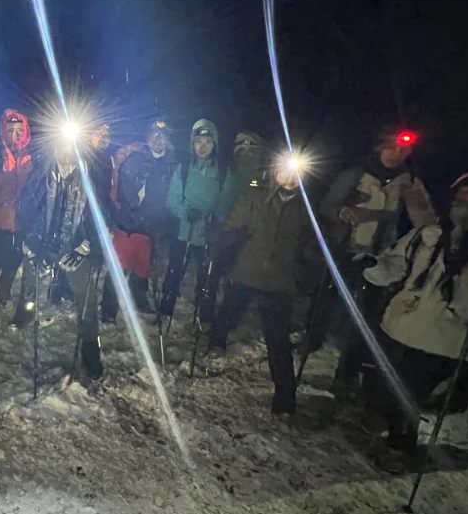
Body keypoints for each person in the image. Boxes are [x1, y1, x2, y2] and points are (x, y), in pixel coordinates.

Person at [362, 171, 468, 472]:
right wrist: (370, 266)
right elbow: (394, 265)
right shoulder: (427, 235)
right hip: (401, 325)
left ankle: (400, 444)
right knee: (377, 390)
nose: (464, 207)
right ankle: (396, 430)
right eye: (460, 198)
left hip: (450, 338)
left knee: (408, 391)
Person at [317, 130, 436, 401]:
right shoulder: (355, 174)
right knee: (326, 301)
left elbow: (426, 223)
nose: (395, 155)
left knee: (366, 320)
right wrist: (341, 212)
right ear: (378, 148)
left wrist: (416, 199)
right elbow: (326, 206)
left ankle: (345, 375)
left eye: (402, 151)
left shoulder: (408, 183)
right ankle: (314, 338)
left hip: (379, 259)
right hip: (346, 250)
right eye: (390, 148)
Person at [207, 153, 314, 429]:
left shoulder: (306, 207)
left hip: (279, 281)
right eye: (284, 171)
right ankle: (216, 342)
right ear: (275, 172)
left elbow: (313, 241)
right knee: (230, 310)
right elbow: (234, 223)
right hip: (247, 270)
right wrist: (221, 244)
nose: (289, 178)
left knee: (278, 342)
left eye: (295, 173)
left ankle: (284, 403)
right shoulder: (256, 196)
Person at [17, 132, 104, 379]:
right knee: (31, 289)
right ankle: (26, 326)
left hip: (74, 249)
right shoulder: (41, 175)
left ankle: (91, 350)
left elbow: (100, 218)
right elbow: (28, 210)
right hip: (45, 245)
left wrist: (85, 246)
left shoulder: (90, 179)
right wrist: (33, 241)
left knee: (87, 301)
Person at [103, 119, 179, 320]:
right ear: (147, 137)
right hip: (128, 224)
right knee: (119, 266)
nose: (158, 139)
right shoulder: (134, 158)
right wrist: (131, 215)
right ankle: (108, 310)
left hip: (153, 227)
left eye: (162, 136)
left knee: (143, 267)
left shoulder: (172, 164)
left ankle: (140, 300)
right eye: (154, 135)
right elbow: (123, 191)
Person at [160, 120, 234, 321]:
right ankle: (165, 310)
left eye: (208, 142)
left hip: (207, 235)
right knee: (174, 272)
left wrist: (214, 218)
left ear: (215, 144)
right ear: (192, 143)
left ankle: (204, 315)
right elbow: (172, 198)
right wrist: (185, 212)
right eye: (198, 141)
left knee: (206, 277)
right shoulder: (183, 169)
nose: (202, 147)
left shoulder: (222, 171)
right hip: (183, 231)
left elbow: (227, 200)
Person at [0, 109, 35, 308]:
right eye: (10, 129)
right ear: (4, 129)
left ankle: (3, 293)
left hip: (21, 220)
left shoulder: (31, 156)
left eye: (20, 129)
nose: (15, 133)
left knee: (14, 259)